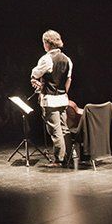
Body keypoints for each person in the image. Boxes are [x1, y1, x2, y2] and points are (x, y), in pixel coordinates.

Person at [30, 29, 73, 167]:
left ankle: (59, 160)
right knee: (64, 128)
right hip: (62, 98)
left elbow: (35, 73)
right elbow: (68, 81)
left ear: (47, 43)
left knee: (55, 130)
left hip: (51, 100)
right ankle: (69, 156)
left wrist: (36, 81)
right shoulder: (68, 59)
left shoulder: (46, 59)